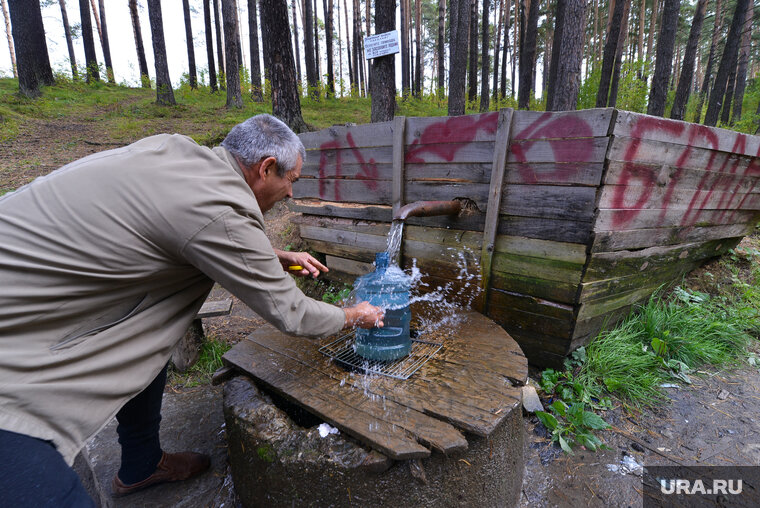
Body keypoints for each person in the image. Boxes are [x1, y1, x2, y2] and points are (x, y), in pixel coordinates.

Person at [0, 114, 384, 505]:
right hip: (15, 342)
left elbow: (178, 227)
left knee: (147, 341)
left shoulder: (176, 152)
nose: (290, 194)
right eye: (292, 181)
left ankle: (140, 465)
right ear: (266, 169)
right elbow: (293, 313)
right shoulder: (220, 210)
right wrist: (356, 315)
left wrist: (276, 256)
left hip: (29, 272)